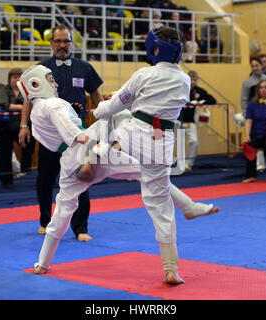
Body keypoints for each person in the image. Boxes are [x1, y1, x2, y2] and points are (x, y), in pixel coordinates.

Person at [16, 64, 219, 283]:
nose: (55, 84)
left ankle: (43, 262)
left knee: (64, 206)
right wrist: (93, 153)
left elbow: (59, 136)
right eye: (50, 80)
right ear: (37, 85)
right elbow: (75, 135)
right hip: (86, 151)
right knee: (122, 124)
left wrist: (76, 116)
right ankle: (187, 208)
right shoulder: (53, 105)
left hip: (67, 162)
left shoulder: (36, 115)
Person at [93, 27, 220, 284]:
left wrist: (98, 109)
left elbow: (119, 103)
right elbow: (151, 96)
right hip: (162, 144)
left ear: (154, 49)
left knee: (110, 120)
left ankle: (94, 155)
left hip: (133, 135)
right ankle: (171, 267)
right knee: (159, 201)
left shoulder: (144, 74)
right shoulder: (185, 79)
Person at [19, 25, 103, 241]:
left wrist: (105, 119)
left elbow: (96, 96)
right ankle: (45, 221)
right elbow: (28, 100)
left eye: (66, 41)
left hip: (77, 132)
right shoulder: (41, 69)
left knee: (81, 179)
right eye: (58, 41)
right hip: (49, 135)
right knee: (45, 178)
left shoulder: (84, 67)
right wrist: (24, 125)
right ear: (51, 43)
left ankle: (80, 228)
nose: (62, 45)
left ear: (71, 43)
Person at [0, 68, 35, 188]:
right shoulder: (3, 90)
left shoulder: (27, 91)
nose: (17, 80)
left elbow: (31, 104)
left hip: (22, 124)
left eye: (19, 77)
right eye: (14, 77)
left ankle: (25, 167)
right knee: (4, 153)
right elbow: (5, 105)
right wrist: (23, 107)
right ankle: (7, 180)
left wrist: (18, 107)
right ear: (9, 79)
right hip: (4, 126)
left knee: (29, 143)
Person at [240, 57, 266, 172]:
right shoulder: (247, 82)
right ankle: (259, 165)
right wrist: (247, 115)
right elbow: (244, 100)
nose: (255, 68)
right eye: (252, 66)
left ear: (262, 65)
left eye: (257, 65)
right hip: (254, 116)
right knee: (255, 140)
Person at [176, 70, 216, 172]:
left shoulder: (199, 91)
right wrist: (188, 103)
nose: (193, 82)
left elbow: (212, 100)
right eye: (190, 79)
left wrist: (201, 102)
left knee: (195, 142)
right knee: (180, 143)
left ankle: (188, 165)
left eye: (194, 79)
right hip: (179, 121)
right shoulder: (181, 89)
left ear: (197, 80)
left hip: (191, 122)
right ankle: (180, 165)